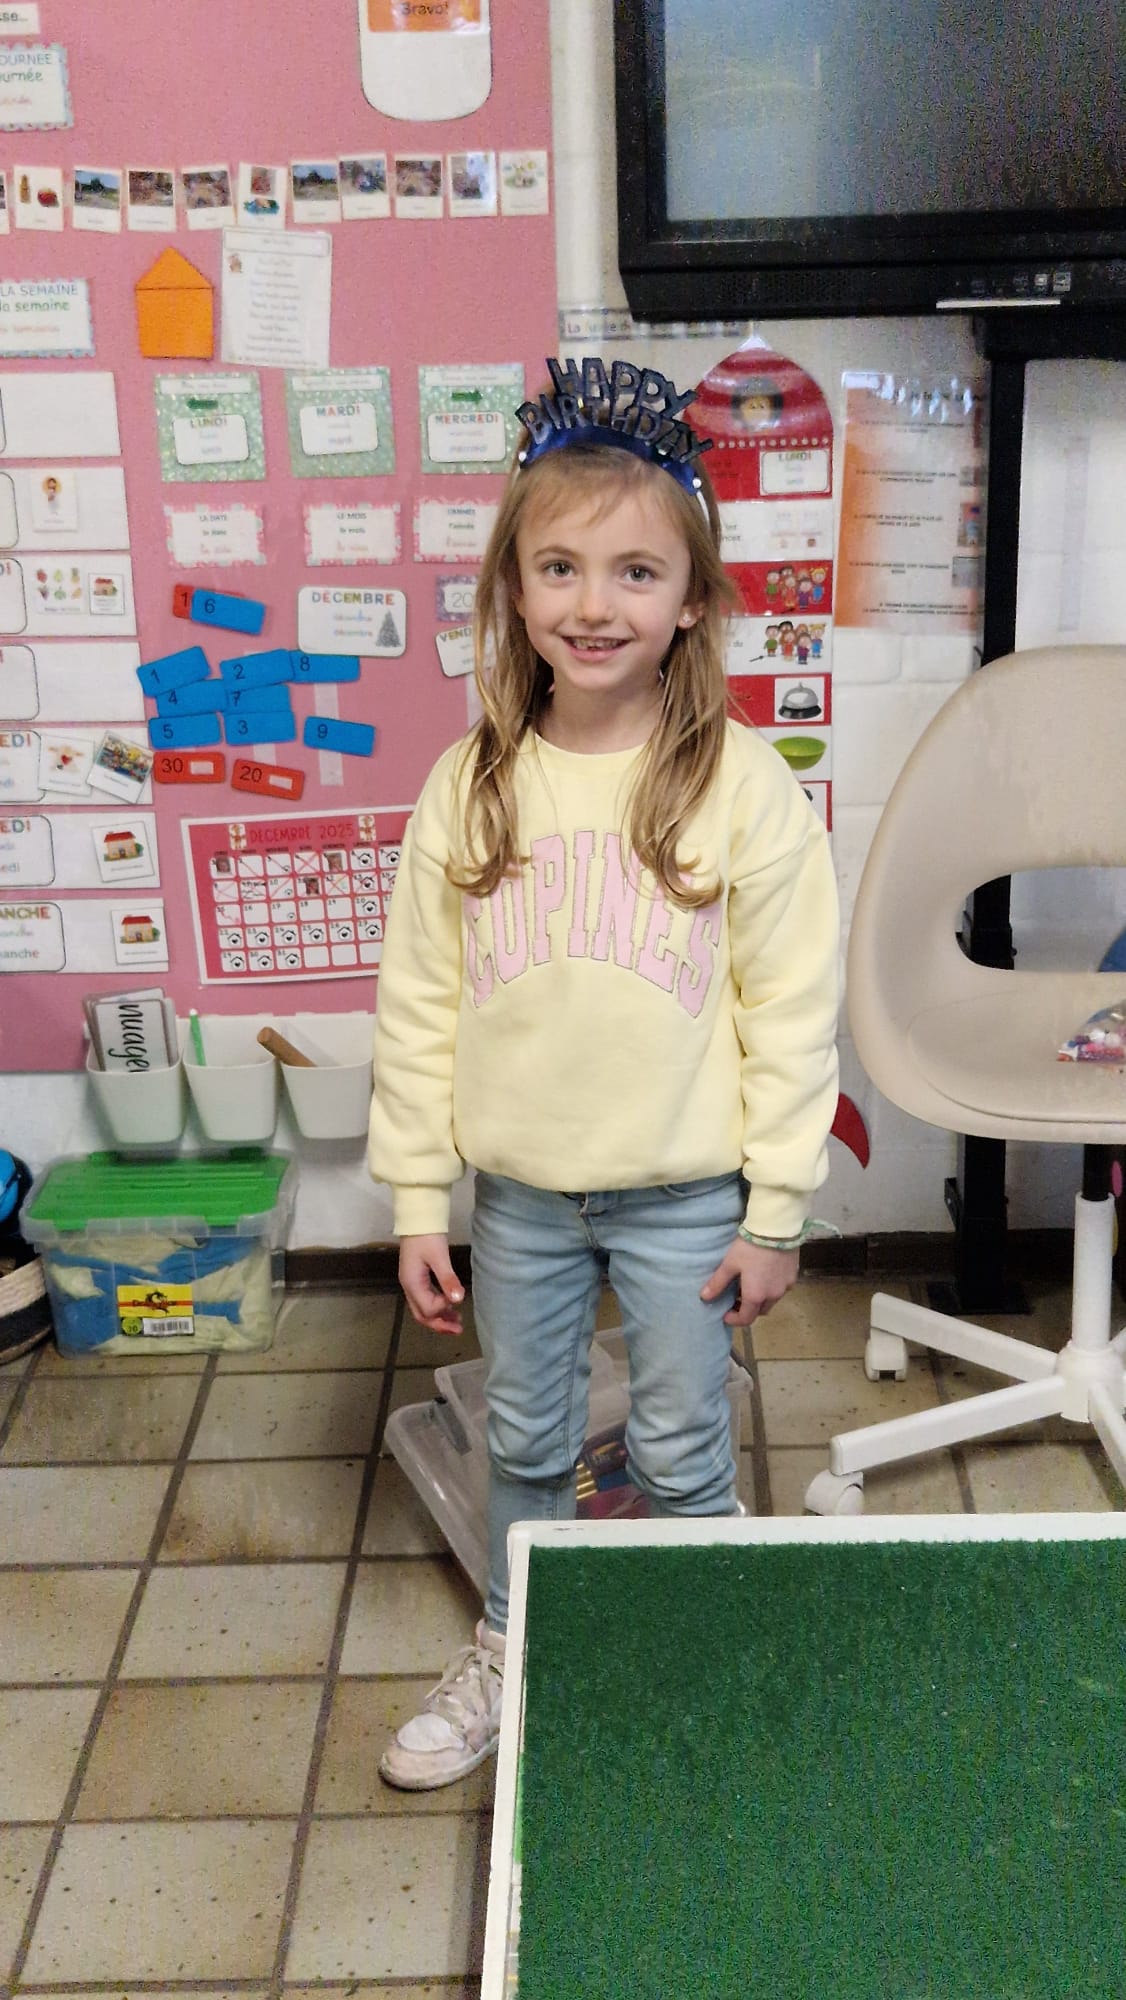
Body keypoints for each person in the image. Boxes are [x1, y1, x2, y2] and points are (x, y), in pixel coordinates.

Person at [368, 356, 840, 1790]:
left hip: (689, 1199)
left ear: (691, 597)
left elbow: (792, 1012)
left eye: (636, 571)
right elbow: (418, 1006)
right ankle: (516, 1642)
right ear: (513, 590)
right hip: (519, 1198)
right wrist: (415, 1200)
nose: (593, 603)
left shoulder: (740, 787)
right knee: (526, 1440)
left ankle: (696, 1654)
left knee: (686, 1450)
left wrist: (777, 1210)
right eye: (559, 567)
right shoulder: (471, 784)